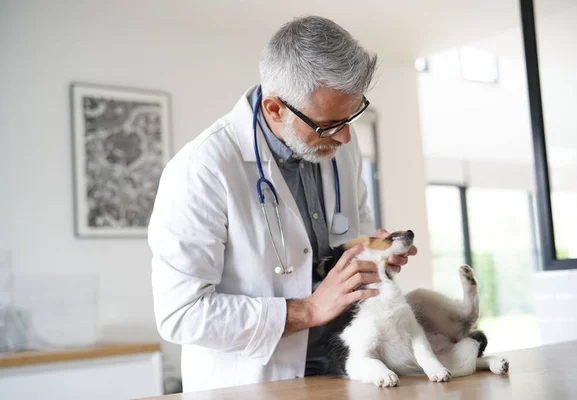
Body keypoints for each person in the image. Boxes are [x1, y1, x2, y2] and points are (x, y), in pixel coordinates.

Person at [148, 15, 417, 392]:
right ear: (275, 109)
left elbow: (349, 241)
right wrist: (307, 310)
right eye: (328, 125)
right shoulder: (202, 169)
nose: (345, 136)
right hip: (256, 383)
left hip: (350, 367)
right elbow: (181, 315)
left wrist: (374, 256)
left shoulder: (341, 146)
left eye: (352, 115)